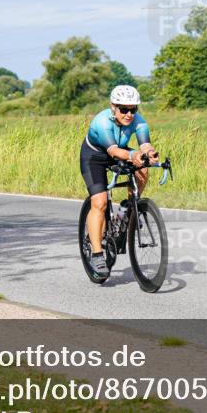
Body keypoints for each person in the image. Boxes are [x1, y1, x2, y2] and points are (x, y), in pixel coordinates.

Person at [81, 85, 158, 278]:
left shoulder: (139, 121)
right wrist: (134, 155)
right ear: (113, 107)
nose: (129, 114)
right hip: (95, 156)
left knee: (143, 167)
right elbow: (114, 151)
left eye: (133, 109)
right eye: (124, 109)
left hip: (119, 151)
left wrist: (149, 154)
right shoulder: (102, 122)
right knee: (100, 202)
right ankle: (97, 254)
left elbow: (145, 144)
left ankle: (130, 207)